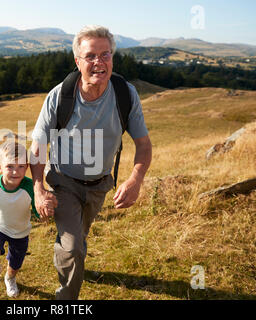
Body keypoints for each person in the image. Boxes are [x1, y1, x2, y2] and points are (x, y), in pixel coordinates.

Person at [30, 25, 152, 300]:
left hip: (100, 184)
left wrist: (135, 180)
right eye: (91, 56)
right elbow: (37, 146)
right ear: (78, 61)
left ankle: (70, 250)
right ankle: (66, 298)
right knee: (73, 246)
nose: (99, 62)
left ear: (112, 58)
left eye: (105, 54)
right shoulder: (60, 96)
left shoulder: (125, 94)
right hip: (63, 180)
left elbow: (143, 144)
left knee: (78, 237)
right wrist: (38, 189)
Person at [0, 141, 40, 297]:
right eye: (10, 167)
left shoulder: (29, 186)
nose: (16, 172)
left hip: (20, 230)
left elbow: (36, 206)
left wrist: (41, 214)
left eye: (21, 166)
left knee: (15, 262)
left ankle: (10, 278)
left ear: (26, 167)